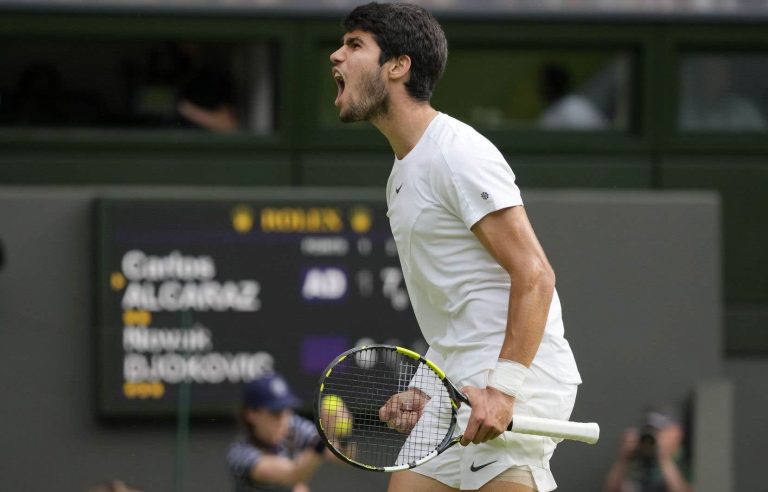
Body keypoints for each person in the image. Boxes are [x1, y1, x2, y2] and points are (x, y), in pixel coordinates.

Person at [329, 3, 582, 492]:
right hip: (456, 374)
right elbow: (458, 302)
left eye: (355, 44)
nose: (336, 56)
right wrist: (433, 387)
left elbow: (535, 274)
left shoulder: (458, 153)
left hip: (517, 374)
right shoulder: (403, 172)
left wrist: (504, 390)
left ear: (398, 65)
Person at [226, 372, 333, 492]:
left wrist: (344, 436)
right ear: (251, 414)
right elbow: (293, 475)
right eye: (275, 413)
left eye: (286, 410)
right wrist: (323, 438)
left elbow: (335, 452)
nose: (284, 420)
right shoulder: (240, 455)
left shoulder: (293, 425)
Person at [603, 407, 693, 492]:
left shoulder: (685, 460)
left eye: (659, 431)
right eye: (650, 430)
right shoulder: (638, 461)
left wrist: (664, 458)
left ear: (676, 433)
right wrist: (623, 458)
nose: (654, 436)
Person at [537, 63, 606, 130]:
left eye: (543, 84)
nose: (540, 88)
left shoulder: (568, 111)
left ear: (551, 86)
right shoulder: (579, 104)